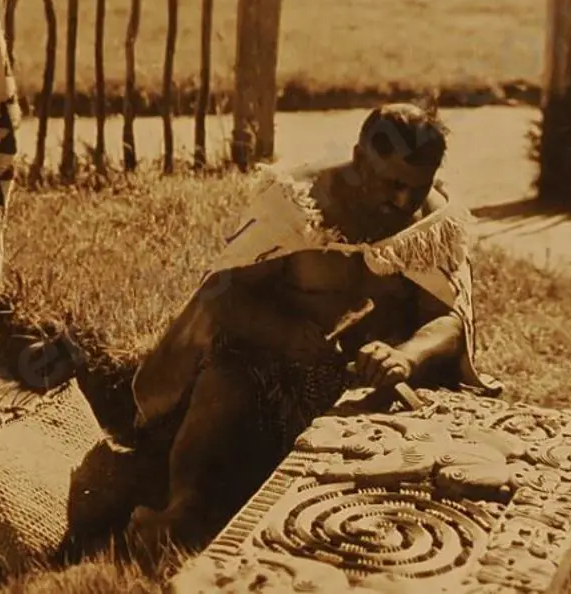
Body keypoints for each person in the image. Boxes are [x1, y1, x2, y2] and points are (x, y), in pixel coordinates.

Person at [120, 103, 503, 556]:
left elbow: (448, 318)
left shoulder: (432, 221)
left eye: (416, 189)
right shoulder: (297, 203)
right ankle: (181, 509)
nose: (402, 202)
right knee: (225, 385)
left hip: (370, 380)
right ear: (360, 160)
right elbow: (222, 295)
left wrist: (407, 355)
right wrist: (284, 333)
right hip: (274, 363)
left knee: (433, 466)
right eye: (392, 183)